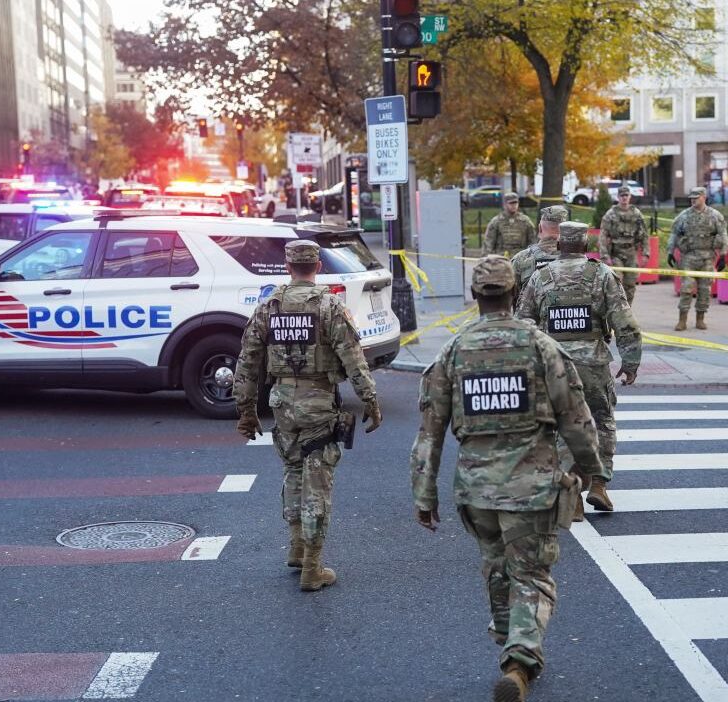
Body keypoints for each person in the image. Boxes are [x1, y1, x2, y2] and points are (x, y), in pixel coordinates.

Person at [411, 255, 602, 702]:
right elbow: (574, 415)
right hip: (531, 487)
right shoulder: (540, 346)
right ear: (515, 294)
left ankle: (508, 635)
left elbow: (429, 431)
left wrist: (424, 494)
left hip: (476, 491)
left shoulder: (453, 351)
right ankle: (520, 657)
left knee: (497, 567)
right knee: (532, 575)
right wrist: (592, 469)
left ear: (475, 297)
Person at [232, 239, 383, 591]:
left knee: (293, 470)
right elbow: (353, 359)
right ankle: (312, 568)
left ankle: (297, 547)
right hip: (318, 401)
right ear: (317, 266)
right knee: (317, 480)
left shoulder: (269, 306)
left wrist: (245, 410)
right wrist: (370, 400)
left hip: (282, 402)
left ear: (288, 266)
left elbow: (248, 360)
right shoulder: (330, 307)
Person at [516, 221, 641, 518]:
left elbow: (523, 322)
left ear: (560, 245)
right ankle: (599, 483)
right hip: (593, 365)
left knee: (561, 426)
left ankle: (571, 488)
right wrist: (630, 360)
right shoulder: (601, 275)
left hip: (554, 365)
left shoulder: (539, 277)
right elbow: (624, 322)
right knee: (603, 421)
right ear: (586, 246)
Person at [666, 187, 728, 331]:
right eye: (691, 198)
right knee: (686, 288)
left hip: (707, 258)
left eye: (696, 197)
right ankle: (682, 320)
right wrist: (670, 251)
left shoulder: (715, 216)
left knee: (704, 290)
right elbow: (674, 234)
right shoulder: (684, 216)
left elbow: (723, 234)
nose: (693, 200)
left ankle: (700, 319)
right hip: (688, 257)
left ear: (704, 197)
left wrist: (723, 254)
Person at [599, 185, 649, 304]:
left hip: (631, 253)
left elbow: (644, 235)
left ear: (630, 197)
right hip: (616, 253)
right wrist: (605, 255)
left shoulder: (636, 213)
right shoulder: (611, 214)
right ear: (618, 197)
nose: (624, 198)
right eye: (622, 196)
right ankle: (616, 312)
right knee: (616, 284)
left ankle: (627, 312)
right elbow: (603, 235)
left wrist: (646, 253)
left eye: (626, 195)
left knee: (630, 285)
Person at [509, 205, 566, 302]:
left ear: (540, 228)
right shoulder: (577, 258)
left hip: (528, 317)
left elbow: (509, 297)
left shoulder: (520, 260)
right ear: (566, 230)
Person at [484, 192, 537, 257]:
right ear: (505, 204)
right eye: (511, 203)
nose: (514, 205)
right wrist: (487, 258)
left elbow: (533, 240)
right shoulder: (496, 221)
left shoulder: (525, 221)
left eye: (516, 203)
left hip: (521, 257)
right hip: (501, 258)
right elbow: (488, 242)